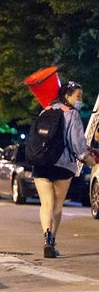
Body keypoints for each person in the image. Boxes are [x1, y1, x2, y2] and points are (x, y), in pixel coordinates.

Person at [32, 81, 96, 258]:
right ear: (67, 96)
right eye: (78, 96)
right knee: (57, 206)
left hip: (41, 163)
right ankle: (52, 240)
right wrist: (90, 161)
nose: (80, 100)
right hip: (62, 165)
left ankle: (46, 237)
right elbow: (77, 145)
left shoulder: (46, 111)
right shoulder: (72, 115)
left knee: (46, 203)